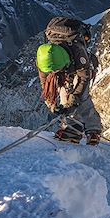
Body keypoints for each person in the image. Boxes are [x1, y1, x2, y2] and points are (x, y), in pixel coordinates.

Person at [36, 17, 102, 145]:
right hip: (69, 64)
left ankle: (92, 130)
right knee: (64, 93)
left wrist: (74, 97)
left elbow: (84, 77)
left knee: (81, 97)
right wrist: (50, 101)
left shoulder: (78, 52)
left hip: (83, 68)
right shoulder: (44, 59)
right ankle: (73, 129)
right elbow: (44, 80)